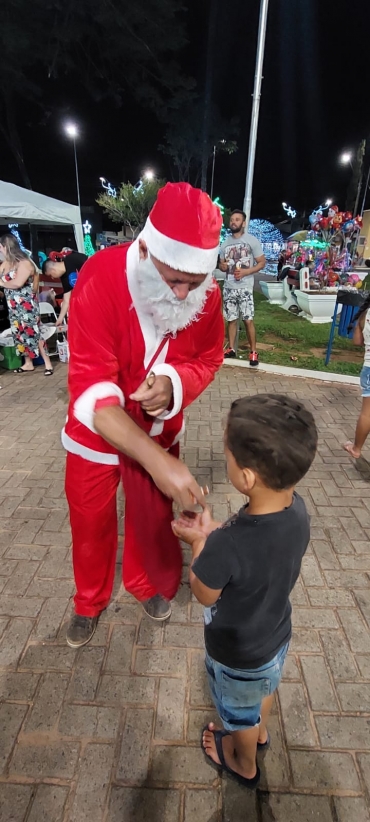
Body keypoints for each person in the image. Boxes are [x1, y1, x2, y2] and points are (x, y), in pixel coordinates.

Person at [64, 182, 224, 648]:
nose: (181, 294)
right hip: (96, 435)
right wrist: (160, 463)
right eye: (173, 279)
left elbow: (210, 357)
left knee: (152, 517)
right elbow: (93, 393)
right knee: (90, 520)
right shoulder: (100, 276)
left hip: (161, 428)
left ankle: (144, 582)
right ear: (147, 247)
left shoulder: (204, 293)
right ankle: (87, 600)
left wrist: (175, 383)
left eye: (193, 284)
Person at [172, 393, 317, 789]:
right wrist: (215, 532)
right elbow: (254, 552)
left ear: (248, 477)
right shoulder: (297, 509)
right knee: (262, 693)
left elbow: (204, 592)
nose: (225, 459)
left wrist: (199, 542)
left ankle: (242, 761)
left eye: (227, 453)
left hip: (237, 654)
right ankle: (261, 730)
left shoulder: (228, 544)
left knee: (237, 716)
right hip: (274, 636)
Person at [0, 235, 54, 375]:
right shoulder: (6, 263)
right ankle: (27, 363)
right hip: (13, 306)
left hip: (26, 305)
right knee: (18, 333)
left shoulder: (24, 262)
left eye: (0, 247)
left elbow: (18, 282)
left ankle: (47, 364)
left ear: (6, 246)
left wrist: (3, 284)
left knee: (34, 331)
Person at [219, 210, 266, 366]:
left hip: (245, 287)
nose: (234, 222)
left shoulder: (252, 241)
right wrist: (223, 266)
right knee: (231, 319)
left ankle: (253, 352)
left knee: (247, 320)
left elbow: (261, 262)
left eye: (237, 219)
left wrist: (247, 271)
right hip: (229, 287)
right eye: (232, 219)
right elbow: (221, 264)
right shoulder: (225, 243)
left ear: (243, 223)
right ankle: (231, 348)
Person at [343, 294, 370, 458]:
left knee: (367, 413)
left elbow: (357, 342)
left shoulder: (364, 314)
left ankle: (356, 449)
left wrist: (358, 328)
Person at [42, 249, 88, 327]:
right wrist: (59, 319)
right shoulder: (64, 279)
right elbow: (66, 300)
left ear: (53, 270)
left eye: (50, 275)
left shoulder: (72, 258)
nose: (52, 278)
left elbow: (92, 262)